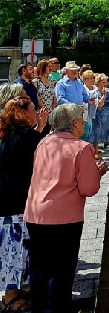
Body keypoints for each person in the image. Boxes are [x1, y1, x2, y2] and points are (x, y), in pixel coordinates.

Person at [24, 104, 107, 313]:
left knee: (40, 270)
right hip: (64, 217)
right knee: (62, 272)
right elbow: (89, 188)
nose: (85, 123)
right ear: (75, 123)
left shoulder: (44, 143)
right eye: (82, 119)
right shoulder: (82, 148)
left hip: (36, 213)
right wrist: (97, 172)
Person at [0, 97, 49, 311]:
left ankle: (16, 288)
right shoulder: (26, 136)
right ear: (24, 113)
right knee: (14, 247)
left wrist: (40, 126)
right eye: (32, 109)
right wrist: (42, 127)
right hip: (17, 199)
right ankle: (11, 296)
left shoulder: (7, 134)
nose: (35, 111)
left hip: (7, 198)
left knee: (14, 246)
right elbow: (39, 151)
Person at [92, 73, 109, 150]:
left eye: (106, 82)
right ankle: (95, 153)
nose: (105, 84)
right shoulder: (95, 92)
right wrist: (104, 96)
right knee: (97, 134)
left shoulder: (108, 91)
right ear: (98, 82)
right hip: (99, 116)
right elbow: (99, 105)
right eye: (103, 82)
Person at [81, 70, 99, 143]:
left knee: (92, 135)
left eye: (93, 78)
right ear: (84, 80)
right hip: (85, 115)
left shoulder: (96, 89)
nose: (92, 80)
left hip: (94, 115)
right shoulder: (82, 89)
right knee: (84, 135)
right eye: (89, 78)